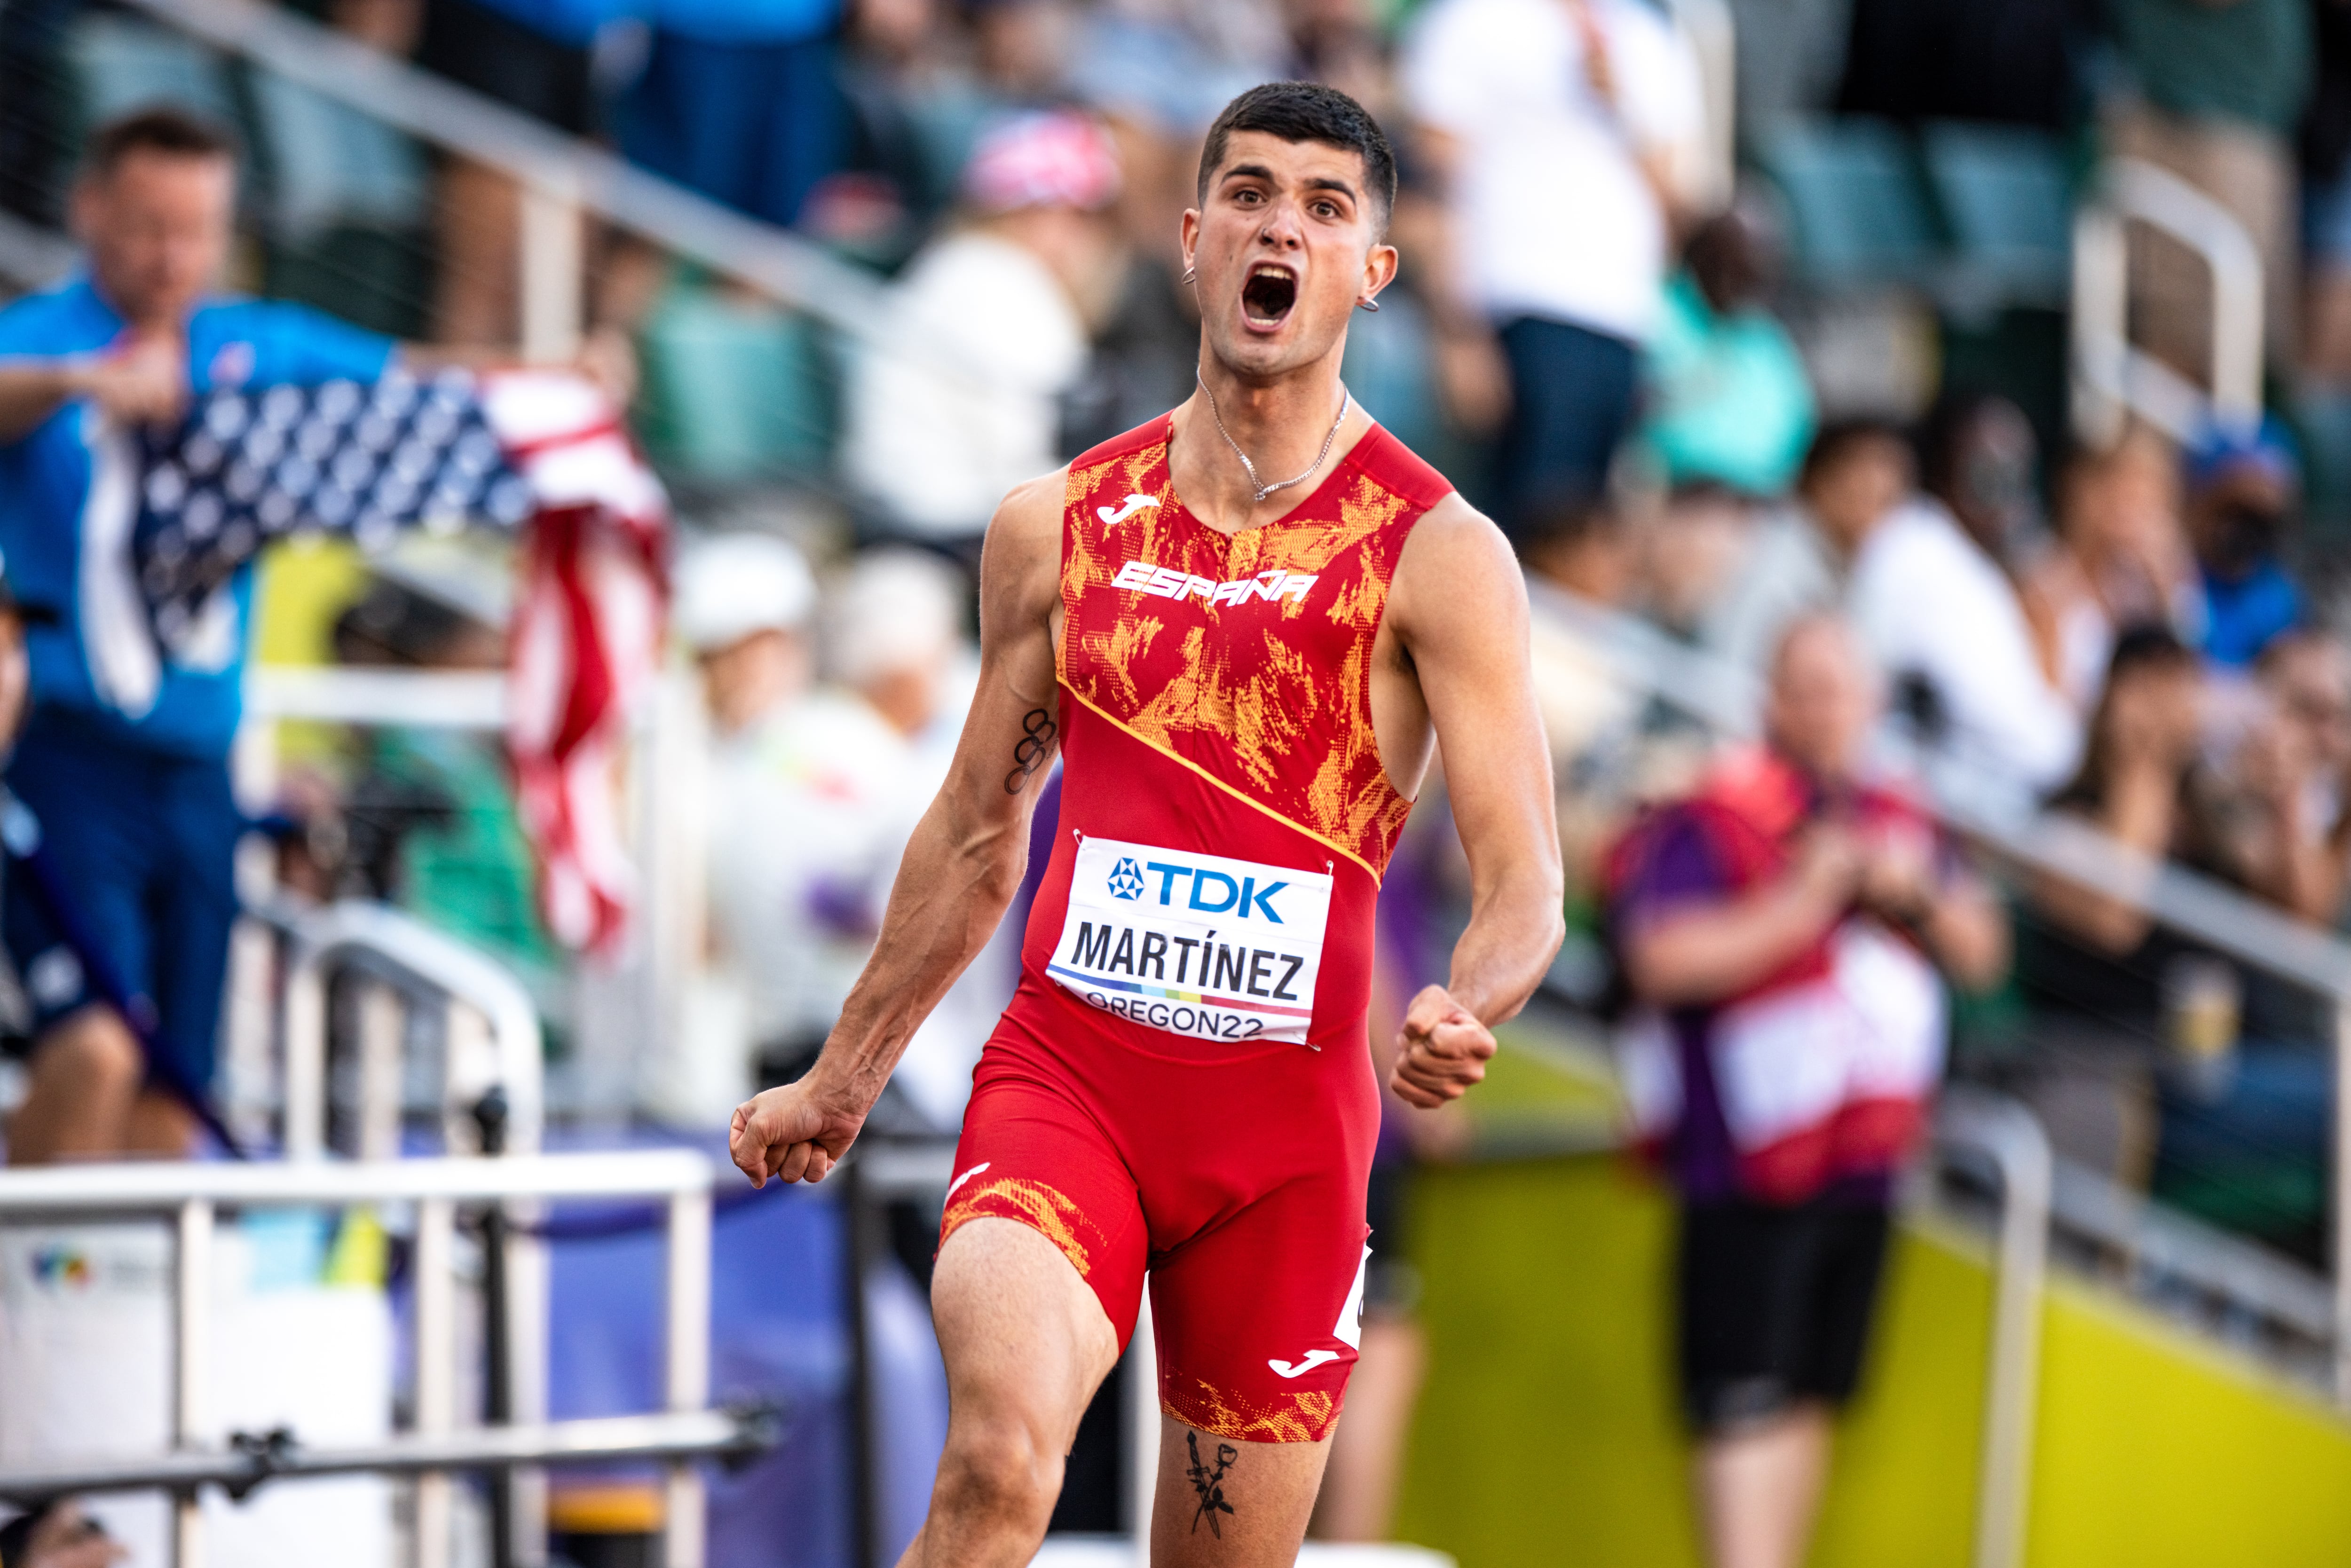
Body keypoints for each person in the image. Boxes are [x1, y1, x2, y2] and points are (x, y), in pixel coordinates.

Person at [729, 82, 1562, 1562]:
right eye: (1248, 194)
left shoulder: (1440, 554)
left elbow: (1522, 882)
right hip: (1071, 1084)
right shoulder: (1056, 526)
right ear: (1189, 239)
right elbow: (976, 835)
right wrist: (843, 1076)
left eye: (1322, 207)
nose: (1278, 228)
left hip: (1288, 1147)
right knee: (994, 1459)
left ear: (1373, 268)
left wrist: (1465, 999)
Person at [0, 110, 404, 1163]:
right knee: (94, 1048)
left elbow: (415, 381)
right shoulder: (43, 334)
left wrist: (563, 375)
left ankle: (116, 1313)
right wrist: (81, 385)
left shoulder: (251, 348)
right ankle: (34, 1301)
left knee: (178, 1084)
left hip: (201, 772)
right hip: (64, 753)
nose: (172, 255)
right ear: (89, 209)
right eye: (146, 226)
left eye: (196, 229)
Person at [1609, 615, 2007, 1568]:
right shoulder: (1713, 812)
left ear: (1871, 701)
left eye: (1844, 687)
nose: (1828, 709)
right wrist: (1806, 899)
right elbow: (1659, 955)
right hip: (1741, 1171)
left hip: (1863, 1169)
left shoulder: (1896, 814)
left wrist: (1911, 892)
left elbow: (1982, 951)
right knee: (1743, 1401)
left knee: (1813, 1395)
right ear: (1771, 699)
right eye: (1808, 687)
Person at [1402, 0, 1705, 537]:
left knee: (1573, 541)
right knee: (1507, 528)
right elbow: (1430, 184)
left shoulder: (1650, 41)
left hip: (1622, 319)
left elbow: (1679, 209)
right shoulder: (1476, 20)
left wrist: (1623, 104)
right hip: (1517, 302)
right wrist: (1457, 329)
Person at [674, 532, 916, 1094]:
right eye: (733, 650)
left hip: (847, 1042)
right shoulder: (673, 754)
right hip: (716, 1052)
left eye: (773, 642)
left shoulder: (843, 737)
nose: (758, 665)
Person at [841, 110, 1121, 559]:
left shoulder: (956, 267)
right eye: (1074, 215)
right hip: (950, 533)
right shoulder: (1003, 281)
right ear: (1025, 215)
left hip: (918, 520)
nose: (1084, 238)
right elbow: (1024, 464)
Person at [1638, 202, 1817, 500]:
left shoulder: (1765, 336)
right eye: (1729, 260)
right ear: (1698, 255)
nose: (1742, 275)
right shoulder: (1655, 311)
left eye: (1757, 266)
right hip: (1671, 494)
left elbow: (1797, 424)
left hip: (1756, 502)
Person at [2181, 416, 2304, 668]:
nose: (2247, 531)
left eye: (2263, 518)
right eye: (2235, 512)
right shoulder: (2168, 578)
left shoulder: (2277, 598)